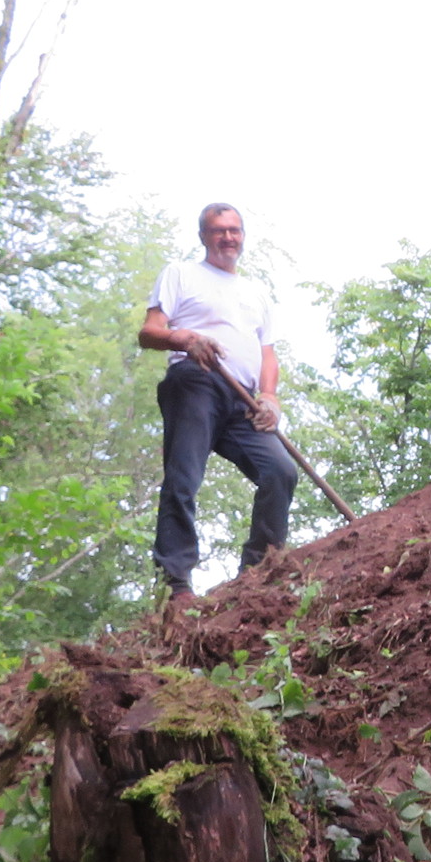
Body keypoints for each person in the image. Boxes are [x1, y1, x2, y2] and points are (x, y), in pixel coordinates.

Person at [139, 203, 299, 602]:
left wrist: (269, 396)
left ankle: (258, 573)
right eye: (218, 230)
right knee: (184, 476)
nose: (228, 237)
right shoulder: (181, 273)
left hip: (243, 399)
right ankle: (175, 583)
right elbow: (149, 332)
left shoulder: (256, 292)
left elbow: (267, 354)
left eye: (234, 230)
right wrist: (183, 338)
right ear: (203, 236)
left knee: (280, 471)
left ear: (243, 236)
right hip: (196, 382)